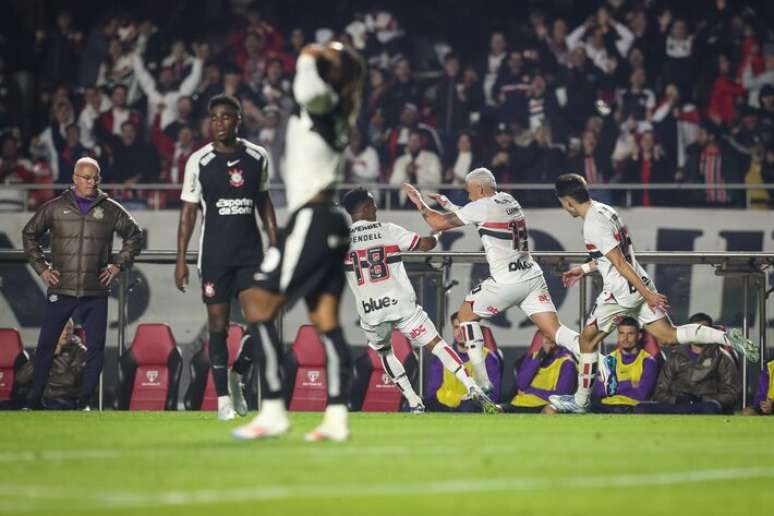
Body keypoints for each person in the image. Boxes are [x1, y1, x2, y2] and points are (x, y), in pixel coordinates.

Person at [231, 42, 366, 442]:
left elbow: (304, 83)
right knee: (326, 321)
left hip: (312, 217)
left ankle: (273, 409)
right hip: (327, 221)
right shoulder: (332, 106)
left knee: (257, 301)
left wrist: (310, 54)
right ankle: (337, 420)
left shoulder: (321, 99)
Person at [548, 174, 756, 414]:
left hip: (620, 292)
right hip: (638, 283)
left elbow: (619, 263)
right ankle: (727, 337)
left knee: (586, 340)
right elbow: (613, 257)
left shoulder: (592, 225)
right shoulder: (606, 210)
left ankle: (581, 401)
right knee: (668, 335)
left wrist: (647, 295)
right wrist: (584, 269)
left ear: (567, 202)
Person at [402, 167, 582, 396]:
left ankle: (481, 381)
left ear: (479, 188)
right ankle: (601, 359)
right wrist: (448, 204)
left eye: (469, 192)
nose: (468, 197)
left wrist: (419, 202)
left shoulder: (482, 206)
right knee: (556, 331)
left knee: (466, 316)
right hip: (531, 277)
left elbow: (437, 223)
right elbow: (477, 215)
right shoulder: (507, 199)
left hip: (506, 281)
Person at [340, 188, 499, 414]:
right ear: (365, 207)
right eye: (373, 203)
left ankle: (413, 401)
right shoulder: (387, 230)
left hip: (371, 311)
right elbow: (425, 245)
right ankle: (471, 384)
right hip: (402, 305)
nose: (376, 208)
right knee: (437, 344)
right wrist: (436, 234)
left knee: (384, 352)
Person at [175, 94, 278, 421]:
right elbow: (188, 213)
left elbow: (264, 202)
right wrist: (181, 259)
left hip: (250, 255)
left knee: (264, 326)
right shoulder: (199, 161)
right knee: (217, 329)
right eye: (214, 117)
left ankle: (237, 377)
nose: (219, 123)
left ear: (238, 120)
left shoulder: (257, 156)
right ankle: (222, 401)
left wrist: (276, 244)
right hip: (215, 257)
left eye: (226, 117)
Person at [22, 157, 143, 410]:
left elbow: (135, 235)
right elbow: (29, 232)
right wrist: (42, 268)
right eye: (86, 177)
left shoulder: (110, 209)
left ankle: (84, 402)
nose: (91, 182)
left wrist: (117, 265)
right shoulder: (54, 208)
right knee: (45, 347)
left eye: (95, 177)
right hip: (61, 288)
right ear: (75, 178)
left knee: (96, 349)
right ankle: (34, 401)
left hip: (95, 290)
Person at [640, 313, 740, 415]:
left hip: (706, 407)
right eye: (695, 330)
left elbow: (732, 393)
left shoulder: (721, 357)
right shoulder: (675, 355)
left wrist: (702, 399)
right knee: (641, 408)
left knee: (710, 408)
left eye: (704, 330)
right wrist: (677, 400)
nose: (699, 334)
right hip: (678, 406)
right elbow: (660, 391)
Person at [426, 312, 502, 412]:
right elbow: (432, 393)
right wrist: (457, 399)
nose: (460, 332)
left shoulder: (488, 358)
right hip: (444, 406)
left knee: (467, 407)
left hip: (474, 407)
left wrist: (467, 400)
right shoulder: (442, 356)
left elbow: (494, 395)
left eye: (464, 328)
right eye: (456, 327)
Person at [10, 319, 87, 410]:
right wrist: (43, 358)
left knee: (49, 406)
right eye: (62, 328)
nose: (66, 332)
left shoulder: (80, 351)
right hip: (39, 398)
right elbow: (21, 378)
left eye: (69, 329)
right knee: (7, 406)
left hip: (65, 398)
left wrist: (40, 379)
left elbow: (70, 379)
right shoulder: (44, 349)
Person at [589, 317, 659, 413]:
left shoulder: (648, 361)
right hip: (605, 408)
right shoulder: (609, 359)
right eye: (622, 333)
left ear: (639, 336)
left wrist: (613, 387)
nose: (625, 338)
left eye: (630, 334)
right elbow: (599, 391)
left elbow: (642, 394)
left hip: (633, 410)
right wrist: (630, 384)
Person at [509, 333, 577, 413]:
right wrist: (538, 359)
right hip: (519, 403)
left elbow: (561, 396)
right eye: (545, 337)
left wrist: (531, 391)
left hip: (544, 405)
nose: (546, 341)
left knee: (550, 411)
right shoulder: (534, 356)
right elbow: (521, 385)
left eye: (550, 338)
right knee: (496, 409)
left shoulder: (567, 363)